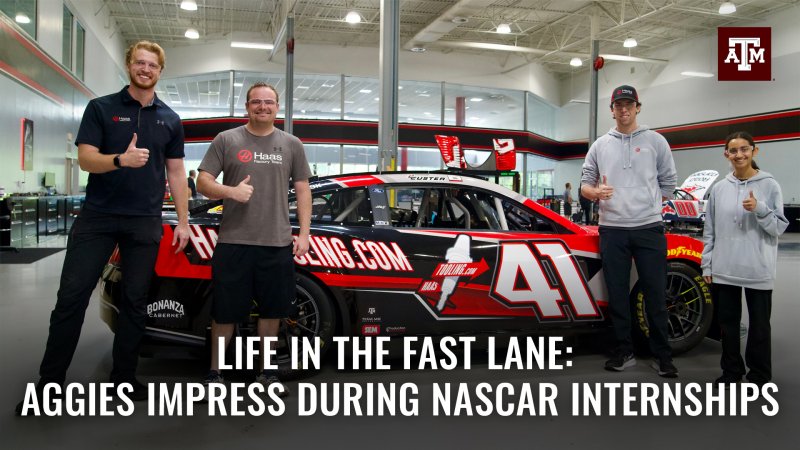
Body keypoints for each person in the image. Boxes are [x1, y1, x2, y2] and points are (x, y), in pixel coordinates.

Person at [16, 41, 190, 415]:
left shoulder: (171, 119)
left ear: (160, 71)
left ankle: (123, 378)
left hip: (144, 221)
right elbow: (86, 159)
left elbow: (176, 173)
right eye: (140, 63)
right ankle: (49, 385)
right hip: (98, 217)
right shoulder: (101, 108)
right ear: (129, 65)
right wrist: (120, 160)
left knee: (135, 301)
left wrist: (184, 221)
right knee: (71, 298)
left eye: (153, 65)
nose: (146, 69)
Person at [197, 82, 312, 396]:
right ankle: (215, 374)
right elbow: (203, 182)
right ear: (247, 106)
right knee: (224, 311)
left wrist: (304, 233)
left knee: (272, 312)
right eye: (256, 102)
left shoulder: (292, 144)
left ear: (277, 107)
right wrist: (230, 191)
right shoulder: (227, 139)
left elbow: (303, 190)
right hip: (234, 242)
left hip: (276, 243)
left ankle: (267, 374)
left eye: (269, 102)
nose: (263, 107)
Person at [580, 84, 678, 377]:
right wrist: (596, 193)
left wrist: (646, 203)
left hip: (649, 228)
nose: (624, 109)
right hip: (612, 230)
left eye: (629, 104)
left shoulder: (656, 141)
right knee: (618, 294)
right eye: (618, 105)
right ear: (612, 110)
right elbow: (585, 185)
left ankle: (663, 356)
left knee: (656, 294)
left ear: (638, 108)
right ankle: (624, 352)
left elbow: (669, 184)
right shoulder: (600, 145)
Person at [701, 131, 788, 387]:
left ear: (754, 151)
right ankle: (731, 371)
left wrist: (760, 209)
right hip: (725, 267)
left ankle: (759, 375)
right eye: (733, 150)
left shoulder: (769, 185)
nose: (739, 155)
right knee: (727, 325)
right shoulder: (719, 189)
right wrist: (707, 264)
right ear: (726, 154)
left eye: (744, 149)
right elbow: (710, 231)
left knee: (760, 326)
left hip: (757, 268)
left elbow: (778, 228)